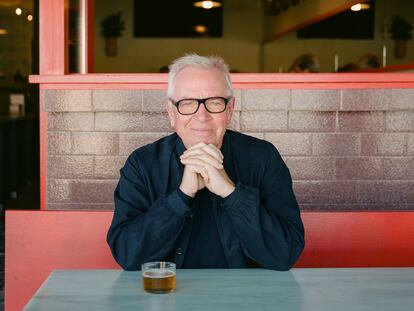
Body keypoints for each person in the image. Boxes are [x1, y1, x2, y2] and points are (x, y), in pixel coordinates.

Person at [107, 53, 305, 271]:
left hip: (247, 300)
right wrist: (182, 196)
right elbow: (127, 254)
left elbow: (285, 253)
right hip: (166, 299)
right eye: (188, 103)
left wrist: (231, 193)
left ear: (229, 110)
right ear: (171, 113)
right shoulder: (142, 164)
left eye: (214, 102)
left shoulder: (263, 158)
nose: (202, 116)